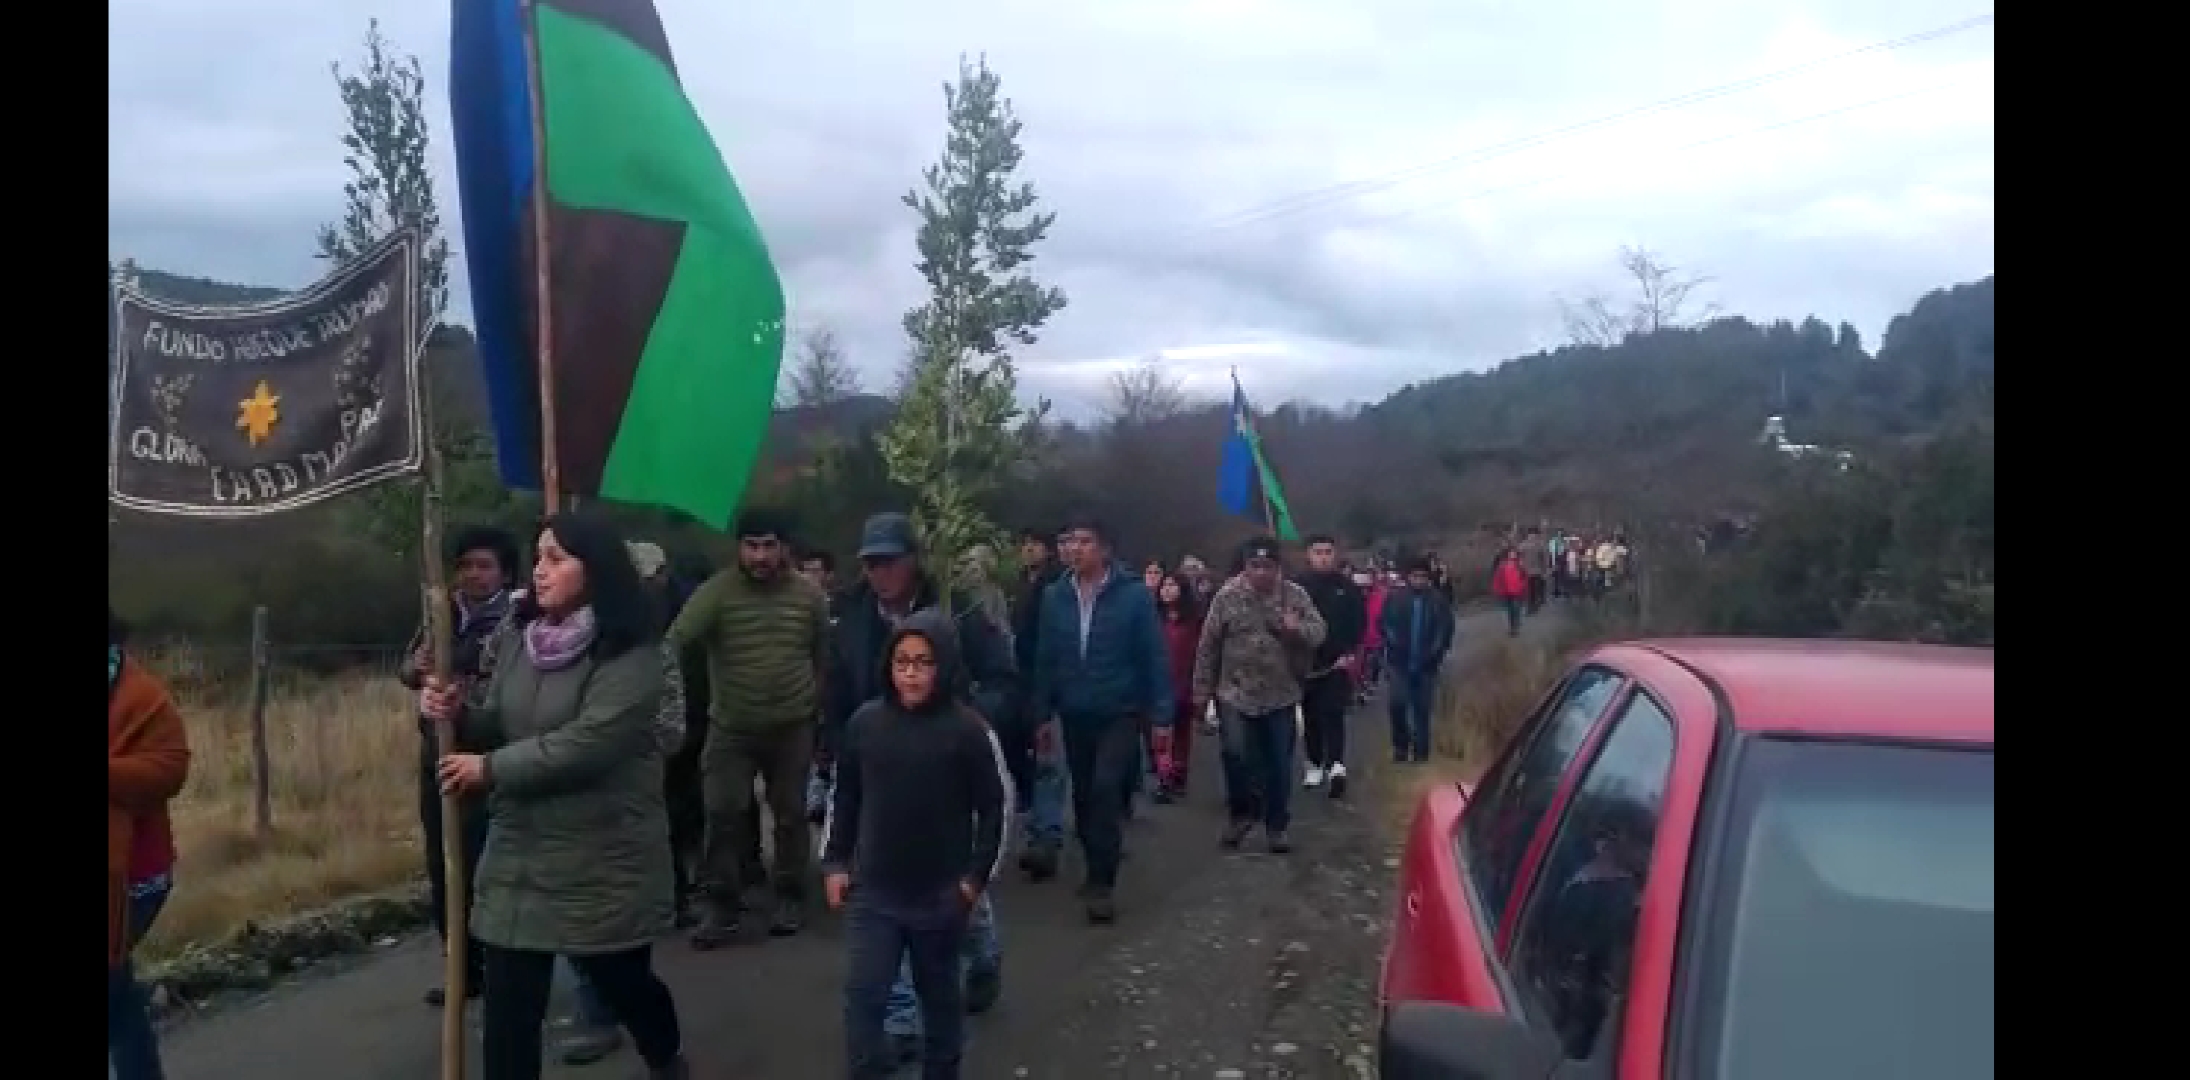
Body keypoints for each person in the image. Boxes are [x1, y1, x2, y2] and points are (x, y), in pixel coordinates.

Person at [418, 511, 689, 1080]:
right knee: (509, 1015)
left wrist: (490, 769)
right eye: (538, 557)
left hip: (601, 856)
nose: (538, 571)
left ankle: (665, 1055)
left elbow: (590, 743)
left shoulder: (633, 651)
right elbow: (501, 722)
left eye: (556, 559)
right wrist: (455, 715)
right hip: (520, 854)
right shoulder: (520, 639)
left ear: (596, 570)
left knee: (624, 984)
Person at [825, 512, 1016, 1051]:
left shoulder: (960, 610)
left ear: (914, 560)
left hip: (947, 763)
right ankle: (902, 1019)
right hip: (879, 760)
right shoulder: (852, 615)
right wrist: (835, 745)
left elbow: (1003, 679)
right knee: (891, 892)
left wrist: (964, 720)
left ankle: (982, 953)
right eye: (871, 563)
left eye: (890, 561)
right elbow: (837, 687)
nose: (880, 573)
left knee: (953, 887)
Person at [555, 541, 702, 1067]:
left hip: (626, 806)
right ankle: (594, 1010)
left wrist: (612, 733)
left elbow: (672, 731)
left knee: (619, 935)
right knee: (572, 918)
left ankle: (655, 1044)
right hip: (562, 806)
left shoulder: (652, 650)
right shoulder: (557, 642)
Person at [668, 509, 831, 946]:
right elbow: (675, 642)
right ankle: (722, 904)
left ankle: (790, 894)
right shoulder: (716, 593)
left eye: (768, 546)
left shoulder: (808, 595)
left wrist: (815, 707)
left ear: (784, 548)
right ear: (738, 548)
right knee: (723, 813)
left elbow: (822, 655)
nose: (759, 556)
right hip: (732, 727)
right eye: (751, 546)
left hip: (792, 725)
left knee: (790, 814)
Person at [396, 526, 520, 1007]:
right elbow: (408, 670)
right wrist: (421, 665)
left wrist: (456, 665)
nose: (473, 575)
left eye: (484, 566)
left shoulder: (515, 620)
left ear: (504, 573)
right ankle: (461, 968)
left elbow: (499, 680)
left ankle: (501, 965)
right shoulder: (440, 612)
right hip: (437, 753)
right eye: (466, 565)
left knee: (483, 864)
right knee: (443, 863)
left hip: (485, 756)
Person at [1027, 512, 1171, 923]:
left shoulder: (1133, 597)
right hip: (1074, 711)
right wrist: (1041, 714)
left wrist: (1161, 715)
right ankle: (1094, 861)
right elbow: (1045, 658)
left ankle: (1102, 882)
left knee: (1106, 789)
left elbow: (1153, 656)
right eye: (1071, 541)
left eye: (1086, 541)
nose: (1076, 549)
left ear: (1105, 548)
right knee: (1085, 794)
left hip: (1119, 711)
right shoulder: (1055, 596)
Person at [1192, 535, 1326, 853]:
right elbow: (1208, 647)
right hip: (1235, 693)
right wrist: (1200, 692)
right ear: (1245, 566)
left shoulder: (1294, 595)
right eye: (1255, 565)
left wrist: (1296, 629)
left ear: (1278, 567)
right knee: (1236, 754)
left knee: (1279, 762)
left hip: (1280, 693)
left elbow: (1319, 632)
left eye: (1268, 566)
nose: (1261, 572)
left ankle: (1277, 825)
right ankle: (1241, 813)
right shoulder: (1226, 597)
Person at [109, 610, 191, 1080]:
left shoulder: (141, 698)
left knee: (114, 996)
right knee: (117, 997)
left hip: (134, 877)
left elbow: (169, 770)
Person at [1008, 526, 1068, 880]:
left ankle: (1047, 836)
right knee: (1031, 759)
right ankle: (1038, 827)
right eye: (1024, 544)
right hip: (1022, 683)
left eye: (1035, 544)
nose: (1028, 550)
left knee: (1049, 760)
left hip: (1050, 683)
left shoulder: (1055, 587)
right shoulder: (1020, 586)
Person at [1296, 533, 1365, 800]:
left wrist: (1350, 651)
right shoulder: (1298, 588)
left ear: (1335, 554)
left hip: (1337, 662)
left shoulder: (1346, 588)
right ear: (1309, 555)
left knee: (1334, 712)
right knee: (1310, 715)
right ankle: (1314, 762)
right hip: (1306, 664)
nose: (1323, 558)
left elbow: (1358, 621)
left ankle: (1336, 764)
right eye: (1318, 552)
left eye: (1327, 552)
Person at [1381, 558, 1456, 763]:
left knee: (1422, 709)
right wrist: (1393, 643)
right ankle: (1400, 747)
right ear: (1408, 577)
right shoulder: (1395, 598)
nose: (1419, 580)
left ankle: (1421, 750)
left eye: (1423, 576)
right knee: (1397, 705)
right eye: (1415, 576)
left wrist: (1436, 652)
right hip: (1399, 662)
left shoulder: (1438, 601)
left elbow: (1445, 628)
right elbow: (1385, 623)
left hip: (1427, 663)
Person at [1150, 569, 1203, 802]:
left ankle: (1179, 775)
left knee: (1181, 734)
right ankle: (1165, 778)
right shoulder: (1153, 618)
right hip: (1159, 684)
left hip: (1185, 683)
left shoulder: (1194, 621)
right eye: (1164, 586)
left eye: (1172, 585)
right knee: (1161, 732)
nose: (1167, 590)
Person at [1492, 546, 1529, 636]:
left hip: (1517, 591)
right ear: (1507, 554)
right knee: (1509, 610)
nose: (1512, 554)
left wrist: (1523, 588)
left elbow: (1524, 577)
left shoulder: (1520, 565)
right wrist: (1497, 590)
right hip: (1505, 592)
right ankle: (1512, 627)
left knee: (1516, 609)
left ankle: (1515, 627)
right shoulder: (1502, 565)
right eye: (1511, 553)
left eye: (1514, 553)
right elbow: (1497, 578)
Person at [1520, 528, 1551, 614]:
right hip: (1529, 571)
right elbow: (1520, 556)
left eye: (1533, 535)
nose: (1532, 536)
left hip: (1534, 571)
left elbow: (1544, 558)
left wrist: (1545, 570)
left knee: (1533, 589)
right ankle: (1532, 606)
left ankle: (1532, 606)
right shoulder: (1525, 544)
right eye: (1531, 535)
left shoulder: (1537, 544)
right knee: (1531, 590)